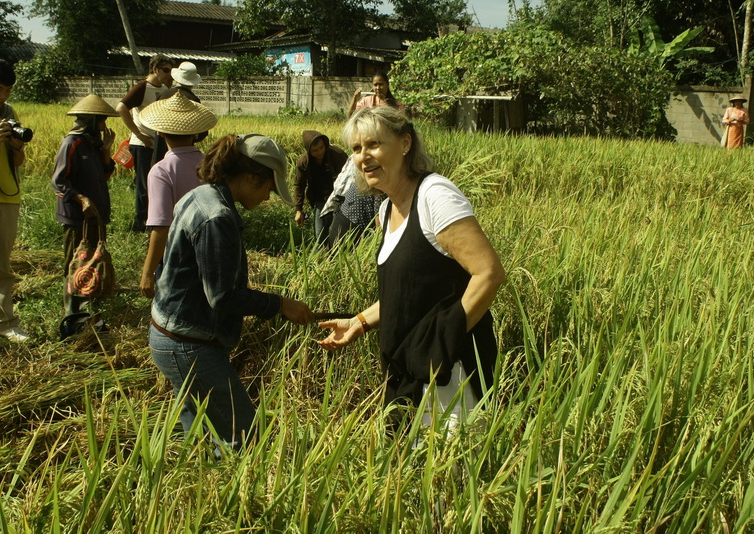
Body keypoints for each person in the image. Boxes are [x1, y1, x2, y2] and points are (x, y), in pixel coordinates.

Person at [318, 106, 505, 432]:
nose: (364, 157)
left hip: (449, 373)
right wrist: (359, 322)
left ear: (405, 143)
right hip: (405, 370)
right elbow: (406, 293)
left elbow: (488, 272)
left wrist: (442, 342)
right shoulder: (387, 209)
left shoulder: (435, 196)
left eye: (374, 144)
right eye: (356, 149)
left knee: (447, 472)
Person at [150, 133, 314, 450]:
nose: (268, 197)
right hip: (188, 343)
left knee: (201, 436)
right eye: (268, 187)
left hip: (172, 335)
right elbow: (222, 297)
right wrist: (280, 304)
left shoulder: (202, 196)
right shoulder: (218, 217)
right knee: (246, 436)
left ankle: (200, 488)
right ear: (252, 176)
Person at [137, 91, 218, 298]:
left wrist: (147, 273)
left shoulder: (161, 171)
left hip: (177, 256)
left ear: (161, 132)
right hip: (211, 250)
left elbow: (162, 227)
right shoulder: (209, 165)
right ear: (196, 132)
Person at [51, 94, 118, 339]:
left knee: (92, 262)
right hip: (77, 217)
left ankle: (88, 313)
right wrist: (81, 199)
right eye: (102, 121)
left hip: (95, 216)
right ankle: (71, 317)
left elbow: (106, 174)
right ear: (92, 120)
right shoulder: (73, 143)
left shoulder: (93, 143)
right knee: (75, 263)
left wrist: (107, 149)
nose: (105, 126)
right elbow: (59, 181)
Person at [0, 57, 29, 343]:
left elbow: (20, 161)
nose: (3, 96)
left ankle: (5, 323)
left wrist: (16, 144)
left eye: (8, 91)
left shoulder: (9, 114)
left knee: (1, 266)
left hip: (5, 197)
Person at [116, 54, 174, 232]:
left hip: (157, 143)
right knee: (143, 185)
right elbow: (121, 108)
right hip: (142, 144)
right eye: (166, 70)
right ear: (155, 69)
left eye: (171, 70)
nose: (169, 74)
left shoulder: (164, 88)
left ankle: (152, 219)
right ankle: (140, 223)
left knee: (157, 183)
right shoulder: (142, 87)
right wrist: (139, 134)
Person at [293, 130, 348, 246]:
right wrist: (299, 209)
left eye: (321, 147)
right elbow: (299, 185)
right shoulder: (304, 162)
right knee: (320, 236)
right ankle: (322, 260)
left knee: (340, 233)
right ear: (308, 150)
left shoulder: (337, 155)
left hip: (341, 198)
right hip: (320, 199)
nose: (319, 152)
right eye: (315, 150)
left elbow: (351, 176)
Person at [151, 61, 206, 164]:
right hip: (183, 156)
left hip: (160, 152)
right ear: (193, 81)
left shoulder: (163, 96)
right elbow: (202, 132)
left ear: (176, 78)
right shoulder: (193, 100)